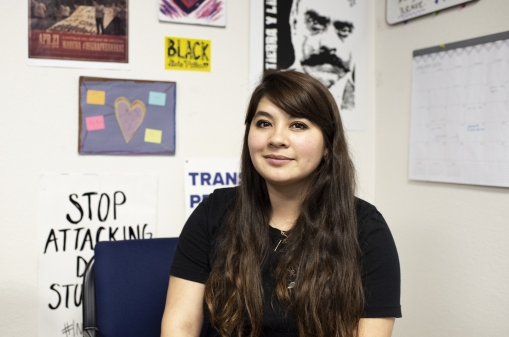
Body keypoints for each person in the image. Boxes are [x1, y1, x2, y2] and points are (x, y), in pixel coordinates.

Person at [162, 70, 401, 337]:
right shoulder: (214, 211)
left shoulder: (366, 228)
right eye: (264, 123)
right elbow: (179, 326)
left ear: (327, 145)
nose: (276, 139)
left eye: (298, 125)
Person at [288, 0, 358, 110]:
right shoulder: (271, 97)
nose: (328, 44)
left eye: (344, 30)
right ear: (294, 24)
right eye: (316, 23)